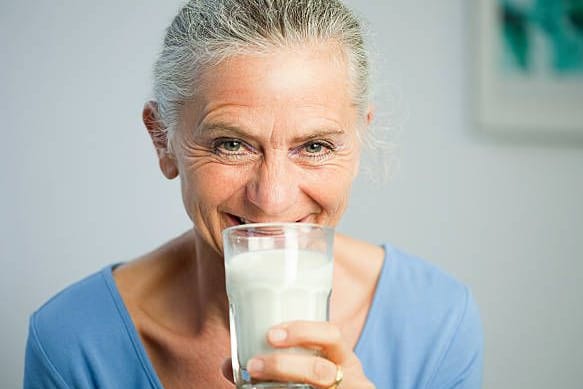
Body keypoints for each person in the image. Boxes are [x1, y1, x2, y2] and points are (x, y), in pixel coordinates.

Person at [24, 0, 483, 388]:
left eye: (315, 146)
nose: (273, 198)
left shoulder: (437, 320)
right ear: (162, 139)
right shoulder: (71, 340)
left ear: (357, 143)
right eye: (231, 144)